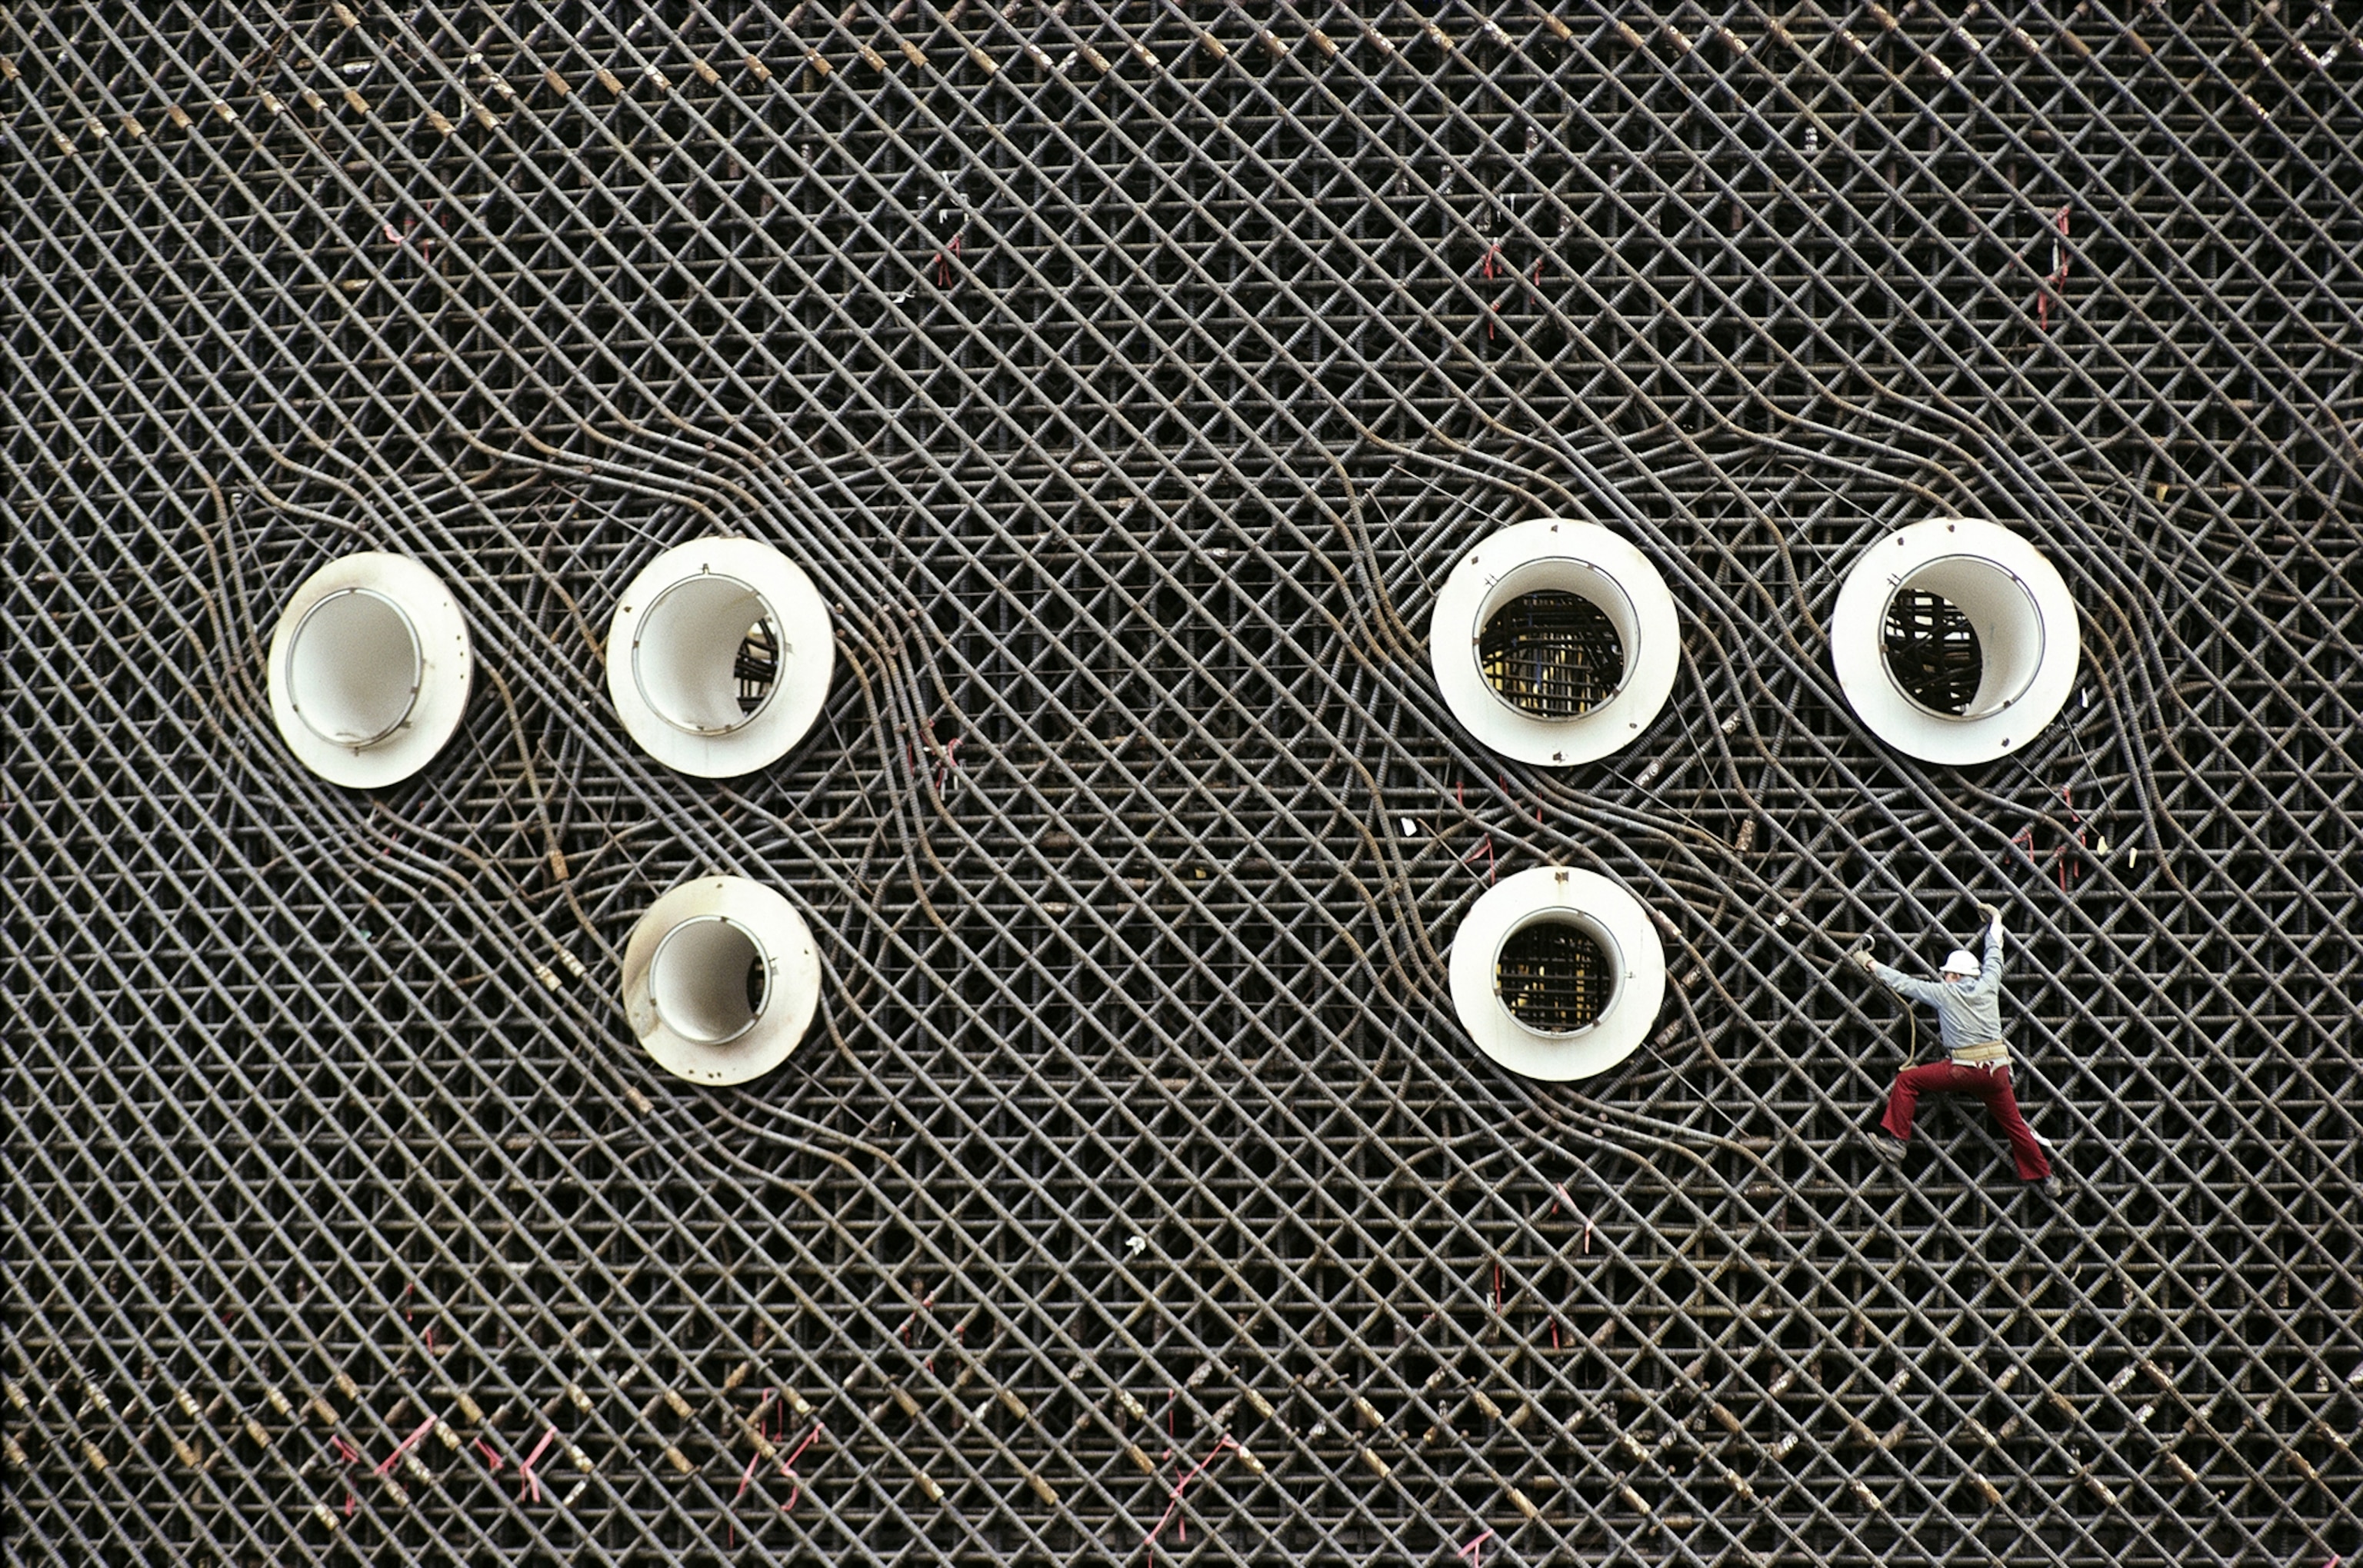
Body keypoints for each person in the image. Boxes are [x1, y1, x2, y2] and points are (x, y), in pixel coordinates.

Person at [1849, 902, 2061, 1196]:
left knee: (1908, 1080)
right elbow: (1994, 951)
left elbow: (1903, 983)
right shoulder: (1989, 983)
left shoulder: (1944, 993)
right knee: (2014, 1125)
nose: (1945, 978)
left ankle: (1896, 1141)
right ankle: (2046, 1177)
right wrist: (1996, 919)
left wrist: (1868, 962)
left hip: (1964, 1070)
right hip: (1998, 1071)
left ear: (1956, 976)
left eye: (1948, 974)